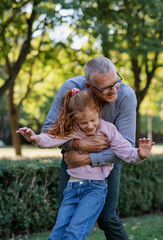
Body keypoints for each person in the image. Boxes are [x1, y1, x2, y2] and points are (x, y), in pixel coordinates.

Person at [17, 89, 154, 239]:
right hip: (72, 188)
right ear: (75, 118)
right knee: (58, 232)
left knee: (75, 232)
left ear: (98, 111)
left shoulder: (109, 130)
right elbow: (49, 139)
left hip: (94, 189)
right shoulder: (71, 129)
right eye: (83, 122)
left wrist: (140, 154)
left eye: (92, 120)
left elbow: (125, 151)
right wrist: (34, 138)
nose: (89, 126)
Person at [42, 56, 137, 240]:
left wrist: (88, 158)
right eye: (106, 88)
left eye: (116, 81)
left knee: (108, 218)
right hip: (73, 163)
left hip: (109, 161)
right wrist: (77, 144)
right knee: (66, 219)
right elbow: (48, 130)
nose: (114, 89)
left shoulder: (126, 96)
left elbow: (127, 145)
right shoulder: (70, 88)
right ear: (89, 86)